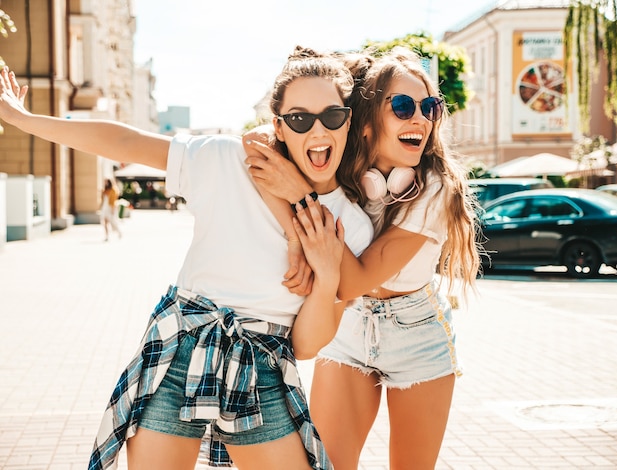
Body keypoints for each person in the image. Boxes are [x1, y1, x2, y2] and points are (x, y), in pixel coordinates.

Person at [0, 45, 373, 470]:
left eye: (332, 116)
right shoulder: (228, 158)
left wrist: (326, 278)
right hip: (181, 346)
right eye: (300, 119)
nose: (318, 130)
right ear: (279, 127)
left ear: (348, 121)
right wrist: (22, 120)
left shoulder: (352, 225)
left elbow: (305, 347)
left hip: (261, 365)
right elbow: (126, 140)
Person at [244, 47, 481, 469]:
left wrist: (304, 192)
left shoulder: (433, 189)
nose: (420, 119)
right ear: (367, 124)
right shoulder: (344, 166)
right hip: (349, 326)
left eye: (429, 107)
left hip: (417, 333)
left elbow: (352, 280)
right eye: (404, 106)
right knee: (329, 463)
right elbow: (261, 138)